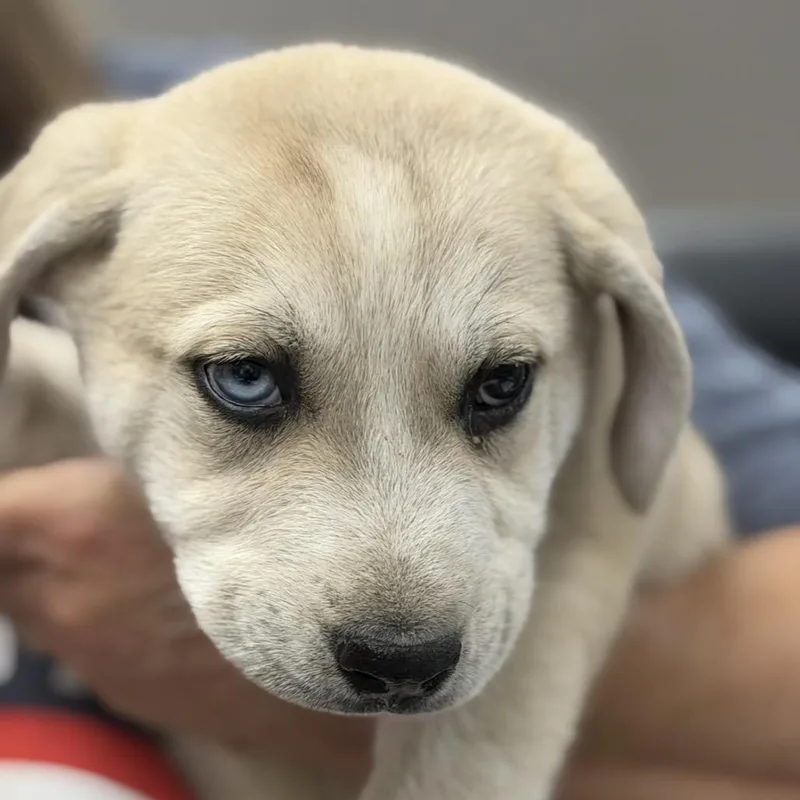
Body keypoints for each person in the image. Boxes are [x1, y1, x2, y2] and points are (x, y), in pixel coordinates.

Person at [2, 3, 800, 798]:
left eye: (498, 386)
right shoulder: (134, 198)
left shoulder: (344, 143)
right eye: (245, 376)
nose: (404, 621)